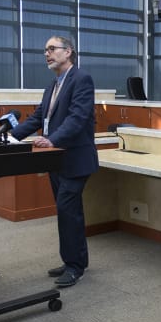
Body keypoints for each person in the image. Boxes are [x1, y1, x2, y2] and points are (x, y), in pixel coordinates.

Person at [10, 35, 98, 288]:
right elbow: (39, 117)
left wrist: (52, 140)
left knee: (67, 210)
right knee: (70, 211)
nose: (47, 54)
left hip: (76, 158)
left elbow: (78, 117)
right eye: (45, 50)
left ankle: (74, 266)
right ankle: (75, 259)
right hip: (57, 159)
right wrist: (9, 136)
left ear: (68, 51)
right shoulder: (53, 84)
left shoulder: (81, 79)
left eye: (52, 49)